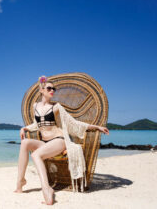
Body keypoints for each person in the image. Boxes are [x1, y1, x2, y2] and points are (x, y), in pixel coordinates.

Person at [14, 75, 109, 205]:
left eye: (54, 89)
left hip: (59, 141)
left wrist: (97, 127)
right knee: (25, 143)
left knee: (36, 155)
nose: (52, 90)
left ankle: (46, 189)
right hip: (45, 143)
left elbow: (73, 123)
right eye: (49, 88)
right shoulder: (35, 106)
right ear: (41, 90)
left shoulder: (56, 107)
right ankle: (20, 181)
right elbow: (38, 125)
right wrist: (24, 128)